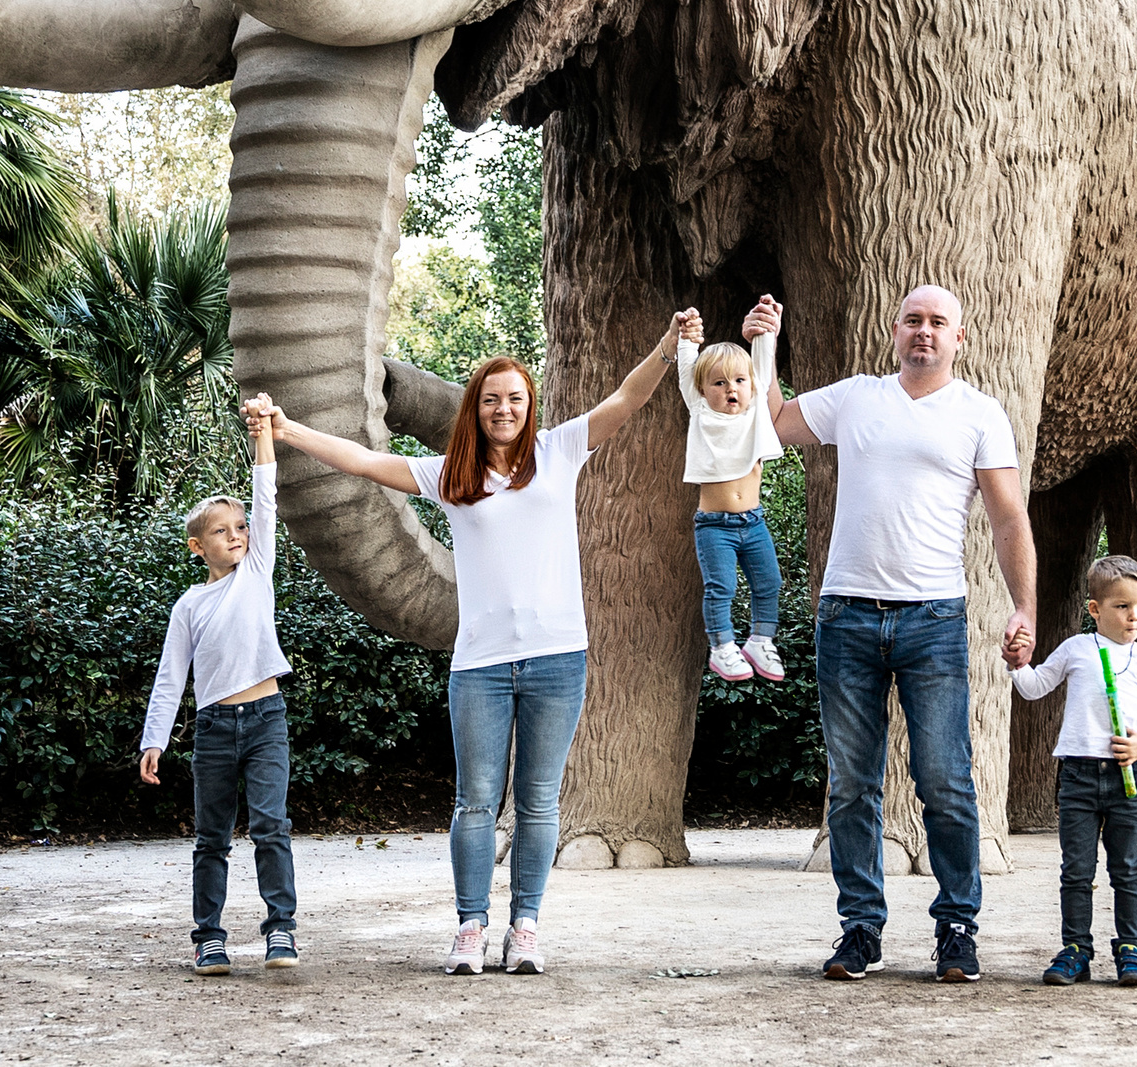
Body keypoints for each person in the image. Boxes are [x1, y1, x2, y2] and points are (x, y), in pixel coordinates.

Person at [259, 308, 700, 975]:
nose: (504, 409)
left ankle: (525, 927)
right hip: (481, 666)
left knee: (539, 800)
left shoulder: (558, 451)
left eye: (515, 398)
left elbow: (624, 400)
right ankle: (471, 925)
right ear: (476, 407)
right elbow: (365, 461)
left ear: (529, 404)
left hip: (557, 659)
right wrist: (287, 428)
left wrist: (668, 346)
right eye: (492, 399)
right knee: (474, 801)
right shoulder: (452, 475)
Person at [752, 286, 1038, 984]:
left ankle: (958, 927)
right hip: (846, 615)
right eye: (913, 320)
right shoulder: (855, 397)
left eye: (938, 322)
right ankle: (860, 928)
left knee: (945, 780)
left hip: (932, 619)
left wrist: (1024, 607)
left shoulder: (979, 413)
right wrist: (764, 345)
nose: (924, 332)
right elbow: (775, 425)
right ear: (894, 330)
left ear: (959, 338)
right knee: (852, 784)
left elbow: (1007, 517)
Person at [137, 397, 297, 975]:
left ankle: (281, 930)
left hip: (266, 719)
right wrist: (154, 739)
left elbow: (265, 495)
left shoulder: (257, 571)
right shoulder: (189, 605)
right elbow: (170, 676)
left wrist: (263, 434)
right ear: (197, 546)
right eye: (220, 531)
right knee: (212, 838)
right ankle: (209, 937)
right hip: (214, 730)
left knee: (271, 828)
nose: (236, 535)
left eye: (240, 527)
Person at [1011, 552, 1137, 990]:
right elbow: (1035, 687)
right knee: (1076, 869)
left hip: (1129, 777)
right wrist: (1017, 664)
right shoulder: (1077, 649)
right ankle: (1076, 949)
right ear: (1095, 609)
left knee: (1127, 868)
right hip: (1078, 775)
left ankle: (1131, 949)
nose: (1133, 616)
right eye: (1122, 606)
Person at [678, 323, 788, 683]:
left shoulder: (755, 411)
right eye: (719, 383)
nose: (731, 389)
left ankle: (760, 641)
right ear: (702, 390)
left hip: (754, 523)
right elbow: (686, 368)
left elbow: (762, 368)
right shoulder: (700, 412)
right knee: (721, 587)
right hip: (714, 527)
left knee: (769, 581)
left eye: (739, 381)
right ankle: (723, 647)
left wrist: (766, 331)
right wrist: (687, 338)